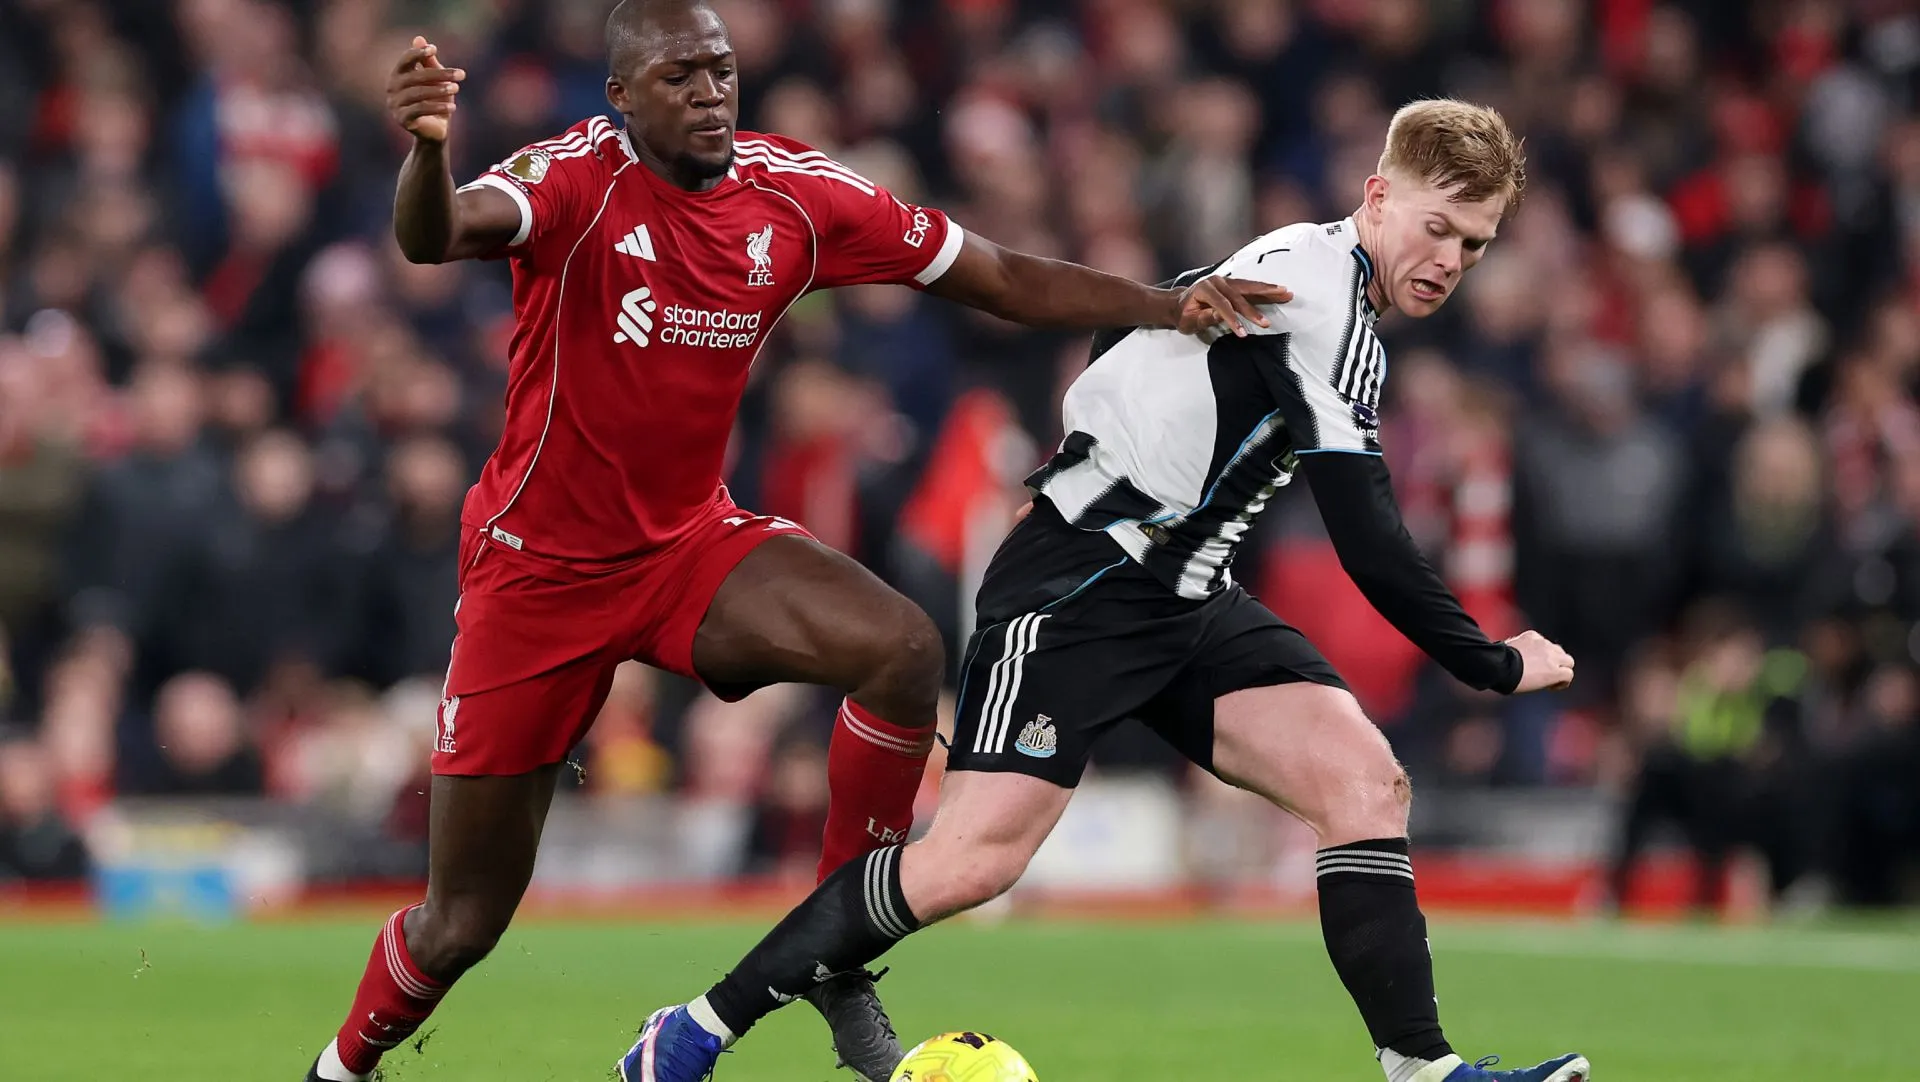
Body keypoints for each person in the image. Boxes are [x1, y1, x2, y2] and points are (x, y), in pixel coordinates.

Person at [301, 2, 1287, 1080]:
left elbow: (994, 272)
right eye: (679, 76)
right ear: (622, 99)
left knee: (901, 647)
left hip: (687, 548)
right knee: (462, 922)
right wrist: (430, 150)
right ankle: (341, 1065)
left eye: (720, 70)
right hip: (537, 576)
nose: (710, 92)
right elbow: (435, 234)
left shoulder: (796, 196)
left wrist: (1164, 303)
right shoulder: (575, 179)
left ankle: (839, 954)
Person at [625, 100, 1591, 1082]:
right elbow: (1368, 533)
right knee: (970, 860)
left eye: (1473, 246)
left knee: (1363, 782)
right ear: (1380, 196)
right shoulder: (1331, 307)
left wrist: (1115, 441)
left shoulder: (1300, 256)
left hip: (1185, 595)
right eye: (1438, 228)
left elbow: (1153, 318)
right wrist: (1491, 658)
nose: (1450, 260)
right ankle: (694, 1028)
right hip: (1082, 581)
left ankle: (1426, 1070)